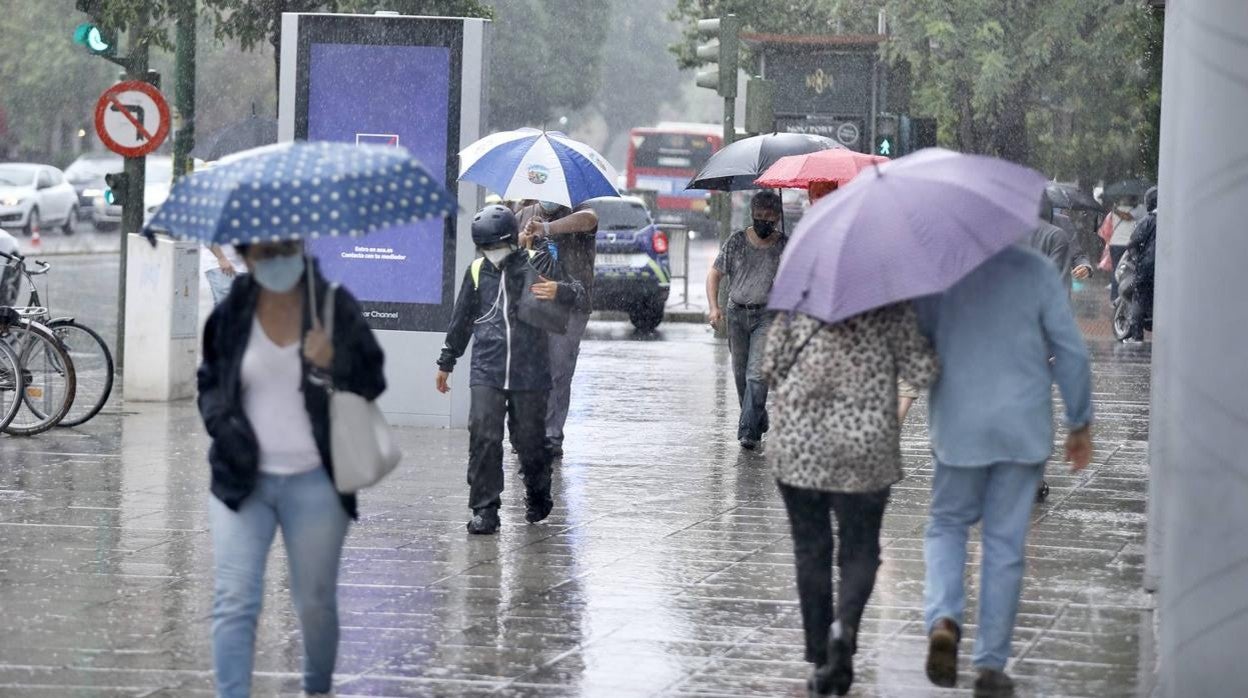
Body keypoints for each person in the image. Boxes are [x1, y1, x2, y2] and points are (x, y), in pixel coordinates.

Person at [198, 239, 386, 698]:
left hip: (317, 480)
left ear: (299, 249)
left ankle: (316, 689)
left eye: (283, 249)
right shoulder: (232, 313)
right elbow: (210, 383)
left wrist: (333, 360)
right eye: (263, 253)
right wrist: (224, 428)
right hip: (241, 480)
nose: (274, 261)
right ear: (247, 257)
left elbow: (372, 378)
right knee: (234, 600)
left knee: (315, 603)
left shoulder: (332, 304)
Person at [916, 245, 1094, 696]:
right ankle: (991, 665)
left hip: (958, 426)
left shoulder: (940, 271)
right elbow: (1071, 352)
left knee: (947, 526)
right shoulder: (1036, 271)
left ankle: (944, 618)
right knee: (1004, 544)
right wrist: (1079, 421)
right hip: (1022, 429)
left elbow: (916, 345)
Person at [763, 303, 938, 697]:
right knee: (860, 549)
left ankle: (821, 656)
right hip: (866, 447)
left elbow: (770, 369)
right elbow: (922, 371)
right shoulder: (891, 310)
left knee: (811, 549)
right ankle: (844, 628)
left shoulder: (798, 305)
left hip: (800, 447)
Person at [436, 205, 584, 535]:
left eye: (498, 246)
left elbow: (579, 293)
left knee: (529, 442)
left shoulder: (537, 262)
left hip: (529, 370)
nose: (493, 253)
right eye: (486, 247)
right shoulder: (477, 271)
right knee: (484, 436)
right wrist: (447, 360)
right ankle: (485, 509)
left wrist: (560, 290)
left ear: (511, 241)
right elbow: (462, 318)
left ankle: (538, 493)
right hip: (486, 367)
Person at [514, 200, 599, 458]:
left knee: (558, 371)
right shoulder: (524, 214)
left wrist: (547, 228)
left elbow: (590, 219)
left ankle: (551, 436)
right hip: (531, 304)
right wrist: (522, 239)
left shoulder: (580, 211)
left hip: (571, 304)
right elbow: (504, 250)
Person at [707, 190, 787, 450]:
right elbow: (715, 274)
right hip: (736, 314)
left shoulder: (784, 246)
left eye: (769, 217)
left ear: (777, 218)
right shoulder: (737, 242)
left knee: (757, 375)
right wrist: (714, 307)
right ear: (752, 214)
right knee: (741, 375)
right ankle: (758, 418)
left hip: (767, 316)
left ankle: (748, 433)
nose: (764, 221)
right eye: (759, 215)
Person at [1125, 187, 1158, 343]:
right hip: (1167, 269)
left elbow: (1132, 243)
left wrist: (1138, 259)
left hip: (1147, 268)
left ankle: (1136, 335)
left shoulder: (1148, 220)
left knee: (1139, 298)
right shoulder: (1173, 219)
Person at [1097, 196, 1145, 300]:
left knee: (1117, 270)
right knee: (1128, 270)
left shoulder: (1117, 210)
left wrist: (1116, 211)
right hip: (1125, 244)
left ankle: (1116, 297)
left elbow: (1127, 217)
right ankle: (1121, 297)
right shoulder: (1140, 209)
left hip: (1119, 244)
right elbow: (1127, 217)